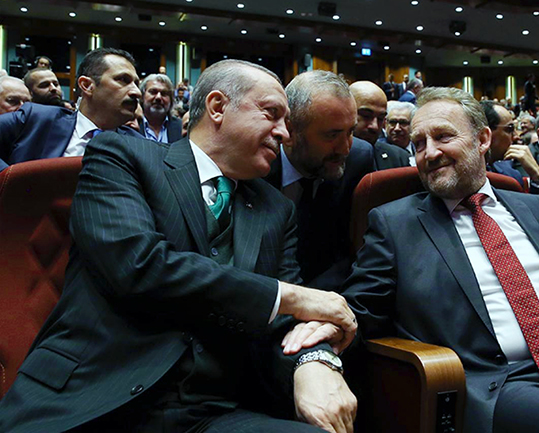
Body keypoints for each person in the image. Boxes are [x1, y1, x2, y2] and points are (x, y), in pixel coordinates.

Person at [0, 59, 357, 433]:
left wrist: (316, 363)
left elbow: (289, 320)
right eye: (271, 114)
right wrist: (289, 296)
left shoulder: (276, 209)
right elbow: (139, 266)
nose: (284, 133)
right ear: (217, 107)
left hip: (210, 412)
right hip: (90, 399)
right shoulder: (122, 156)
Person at [343, 86, 539, 433]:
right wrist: (319, 349)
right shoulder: (394, 223)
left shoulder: (535, 207)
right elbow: (359, 311)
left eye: (443, 137)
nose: (430, 153)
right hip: (501, 382)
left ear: (483, 139)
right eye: (419, 144)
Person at [264, 70, 375, 291]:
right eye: (332, 135)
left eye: (350, 132)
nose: (345, 148)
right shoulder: (257, 164)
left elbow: (354, 249)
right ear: (290, 131)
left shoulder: (359, 159)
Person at [0, 47, 142, 172]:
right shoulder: (36, 118)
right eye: (123, 80)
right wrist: (10, 183)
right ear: (87, 85)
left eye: (136, 83)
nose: (136, 92)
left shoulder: (141, 145)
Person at [481, 101, 539, 194]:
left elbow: (534, 203)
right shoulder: (462, 177)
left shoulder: (511, 174)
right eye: (510, 129)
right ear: (485, 135)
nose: (516, 136)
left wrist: (537, 177)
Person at [349, 81, 410, 170]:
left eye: (380, 118)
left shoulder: (398, 159)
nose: (375, 126)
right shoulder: (329, 157)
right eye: (366, 116)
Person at [138, 73, 182, 143]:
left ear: (171, 100)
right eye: (153, 92)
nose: (158, 97)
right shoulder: (131, 126)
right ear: (142, 97)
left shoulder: (181, 127)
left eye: (164, 93)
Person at [378, 101, 416, 166]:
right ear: (385, 124)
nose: (397, 128)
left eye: (403, 123)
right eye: (393, 122)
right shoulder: (378, 151)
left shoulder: (419, 147)